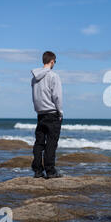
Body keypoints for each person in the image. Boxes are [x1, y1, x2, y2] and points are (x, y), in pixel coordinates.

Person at [30, 51, 63, 179]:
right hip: (52, 113)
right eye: (54, 62)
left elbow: (35, 96)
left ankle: (38, 170)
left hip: (40, 113)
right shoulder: (53, 76)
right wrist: (60, 111)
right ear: (52, 61)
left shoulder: (34, 78)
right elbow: (57, 96)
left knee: (39, 143)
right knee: (51, 143)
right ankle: (50, 171)